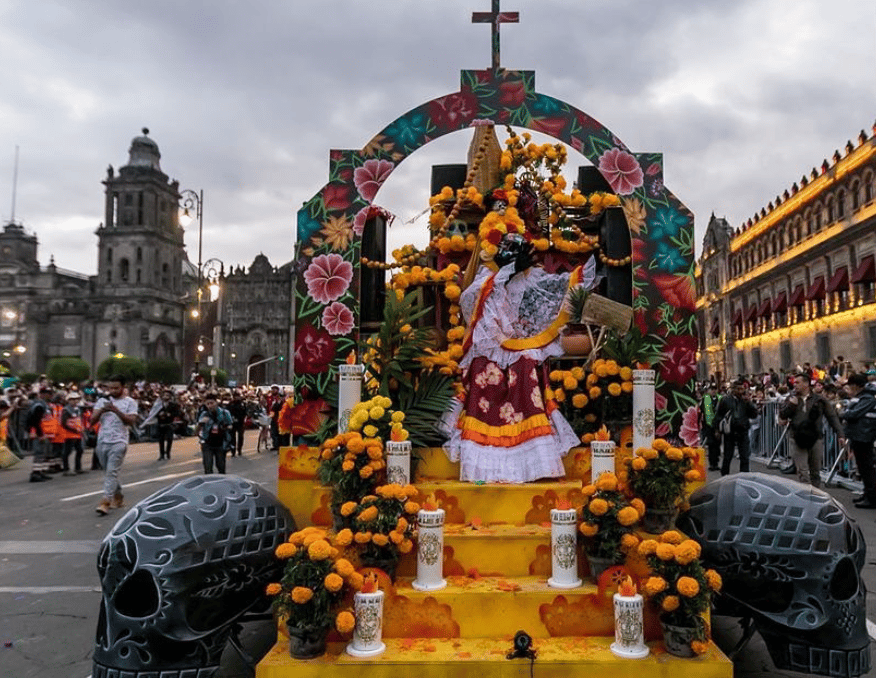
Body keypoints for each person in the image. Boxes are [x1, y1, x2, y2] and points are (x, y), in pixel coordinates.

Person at [442, 234, 583, 483]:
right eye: (506, 248)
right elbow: (472, 307)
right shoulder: (484, 280)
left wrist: (577, 279)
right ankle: (487, 465)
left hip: (517, 348)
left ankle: (532, 463)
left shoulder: (528, 279)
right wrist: (505, 273)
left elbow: (547, 297)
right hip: (488, 351)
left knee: (527, 364)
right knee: (483, 367)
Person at [779, 373, 845, 489]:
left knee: (815, 470)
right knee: (802, 470)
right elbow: (783, 415)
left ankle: (815, 493)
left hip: (815, 438)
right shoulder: (791, 398)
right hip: (797, 438)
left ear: (806, 384)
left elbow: (832, 417)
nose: (795, 385)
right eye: (794, 383)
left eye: (798, 382)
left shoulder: (819, 400)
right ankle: (806, 494)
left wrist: (840, 434)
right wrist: (791, 405)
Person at [92, 375, 138, 515]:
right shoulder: (102, 401)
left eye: (116, 388)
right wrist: (102, 410)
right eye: (110, 388)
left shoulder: (130, 402)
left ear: (123, 387)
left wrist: (115, 410)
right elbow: (92, 421)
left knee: (111, 472)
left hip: (119, 441)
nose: (112, 391)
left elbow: (131, 421)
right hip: (102, 441)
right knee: (108, 471)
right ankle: (118, 495)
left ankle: (105, 501)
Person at [841, 373, 876, 507]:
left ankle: (871, 497)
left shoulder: (867, 398)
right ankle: (867, 494)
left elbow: (854, 413)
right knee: (863, 467)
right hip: (859, 435)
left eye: (850, 385)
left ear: (856, 385)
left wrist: (844, 414)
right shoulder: (862, 397)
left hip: (864, 436)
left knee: (866, 468)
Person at [714, 380, 758, 476]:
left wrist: (749, 402)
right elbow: (718, 415)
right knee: (728, 456)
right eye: (738, 389)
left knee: (744, 456)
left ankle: (744, 476)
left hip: (743, 430)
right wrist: (717, 430)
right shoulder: (725, 400)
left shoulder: (745, 401)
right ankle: (725, 476)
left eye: (742, 389)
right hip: (730, 431)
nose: (740, 391)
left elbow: (754, 415)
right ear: (733, 389)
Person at [196, 392, 233, 474]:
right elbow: (196, 431)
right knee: (208, 467)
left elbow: (231, 426)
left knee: (221, 467)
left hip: (221, 443)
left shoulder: (225, 413)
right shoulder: (204, 414)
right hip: (207, 443)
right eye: (207, 404)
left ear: (216, 402)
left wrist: (224, 427)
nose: (210, 406)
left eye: (211, 403)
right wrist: (200, 423)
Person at [26, 386, 56, 482]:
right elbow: (35, 420)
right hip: (38, 432)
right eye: (47, 394)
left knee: (43, 453)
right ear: (42, 394)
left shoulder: (43, 404)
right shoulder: (38, 405)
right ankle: (35, 473)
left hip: (43, 432)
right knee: (39, 453)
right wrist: (40, 434)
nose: (50, 396)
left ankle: (40, 471)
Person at [60, 392, 85, 475]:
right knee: (67, 452)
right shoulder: (66, 410)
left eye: (76, 399)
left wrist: (81, 428)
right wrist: (74, 430)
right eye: (73, 399)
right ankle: (66, 469)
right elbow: (63, 423)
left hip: (77, 434)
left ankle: (78, 468)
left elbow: (79, 420)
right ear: (69, 400)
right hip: (69, 434)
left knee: (80, 450)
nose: (75, 401)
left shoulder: (78, 409)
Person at [153, 389, 182, 460]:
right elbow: (153, 413)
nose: (166, 397)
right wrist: (159, 414)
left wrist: (170, 414)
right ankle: (162, 454)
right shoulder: (158, 405)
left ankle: (168, 453)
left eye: (168, 395)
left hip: (169, 424)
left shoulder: (173, 405)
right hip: (161, 424)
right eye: (165, 395)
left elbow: (178, 413)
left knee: (169, 439)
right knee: (161, 440)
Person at [699, 383, 721, 471]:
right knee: (711, 445)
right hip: (709, 425)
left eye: (715, 389)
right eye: (712, 389)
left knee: (717, 445)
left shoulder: (720, 399)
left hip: (718, 426)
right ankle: (712, 464)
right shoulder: (705, 399)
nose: (713, 391)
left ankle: (716, 462)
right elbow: (701, 411)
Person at [227, 391, 247, 456]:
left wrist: (243, 418)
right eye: (235, 396)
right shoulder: (230, 404)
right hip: (232, 422)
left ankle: (239, 449)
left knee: (240, 436)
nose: (237, 398)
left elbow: (245, 412)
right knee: (232, 437)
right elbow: (228, 412)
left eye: (238, 396)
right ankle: (233, 451)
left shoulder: (242, 404)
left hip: (240, 422)